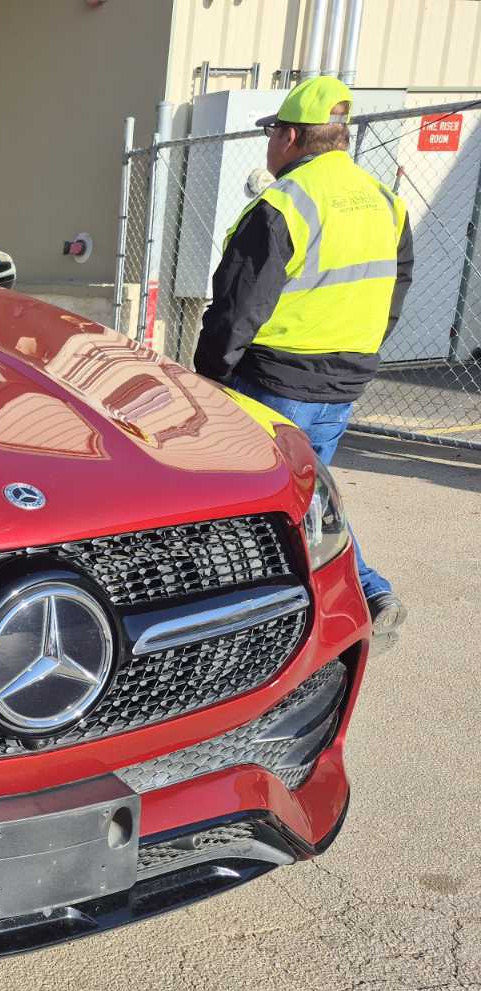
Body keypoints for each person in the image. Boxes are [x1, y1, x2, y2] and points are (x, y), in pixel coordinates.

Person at [195, 76, 414, 650]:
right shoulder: (385, 202)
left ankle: (273, 622)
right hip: (343, 379)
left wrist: (209, 379)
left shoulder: (284, 203)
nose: (270, 144)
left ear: (290, 136)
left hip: (273, 381)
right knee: (307, 496)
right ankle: (367, 594)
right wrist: (358, 345)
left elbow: (238, 306)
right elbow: (396, 286)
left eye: (273, 133)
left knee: (261, 507)